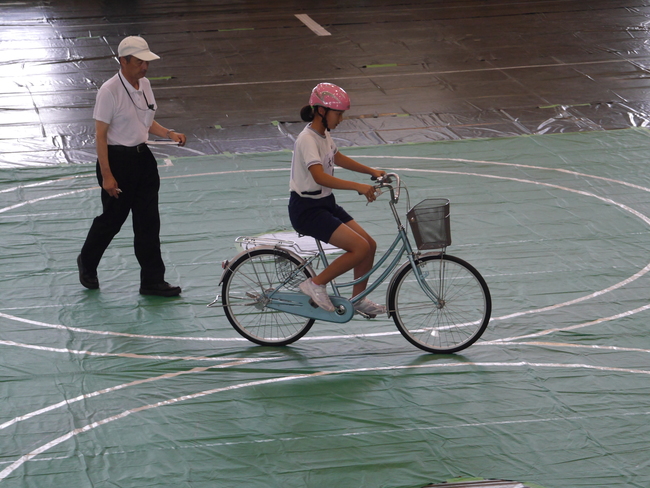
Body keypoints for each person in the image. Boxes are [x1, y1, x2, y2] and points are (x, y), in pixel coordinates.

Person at [77, 36, 186, 297]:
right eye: (139, 62)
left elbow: (146, 121)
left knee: (149, 223)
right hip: (117, 161)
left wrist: (169, 133)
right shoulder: (109, 91)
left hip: (143, 160)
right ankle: (87, 261)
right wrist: (107, 175)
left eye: (146, 62)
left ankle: (152, 281)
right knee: (112, 220)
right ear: (122, 61)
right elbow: (100, 136)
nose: (144, 67)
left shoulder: (145, 85)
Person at [289, 82, 387, 317]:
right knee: (359, 247)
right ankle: (315, 283)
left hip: (325, 204)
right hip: (307, 210)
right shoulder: (307, 139)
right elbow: (319, 176)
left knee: (370, 245)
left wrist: (371, 171)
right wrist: (358, 187)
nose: (341, 119)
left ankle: (358, 299)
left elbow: (338, 157)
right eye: (338, 113)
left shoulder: (324, 135)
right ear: (321, 111)